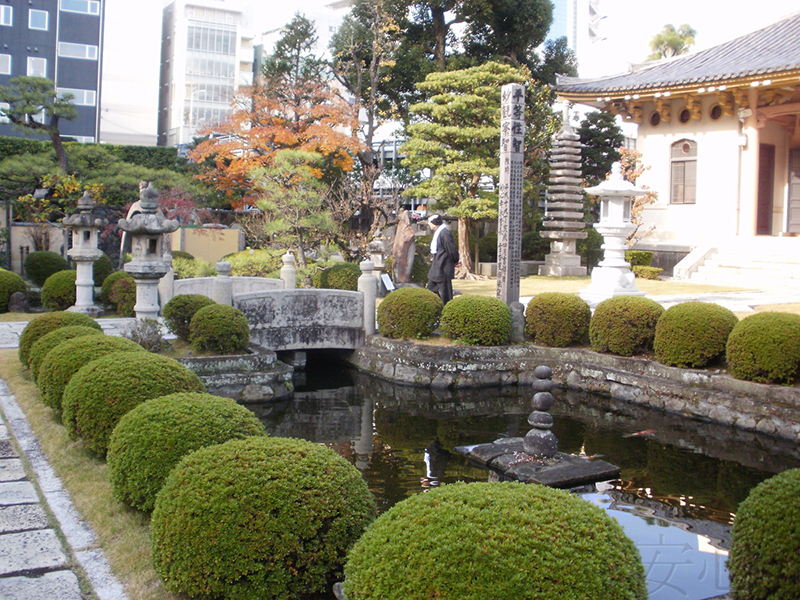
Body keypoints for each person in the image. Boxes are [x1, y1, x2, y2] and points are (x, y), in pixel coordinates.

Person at [426, 214, 459, 305]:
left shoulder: (445, 233)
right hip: (437, 267)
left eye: (430, 223)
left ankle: (447, 311)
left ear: (435, 224)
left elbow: (451, 249)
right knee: (430, 290)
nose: (429, 225)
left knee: (446, 294)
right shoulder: (440, 232)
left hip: (443, 266)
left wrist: (456, 260)